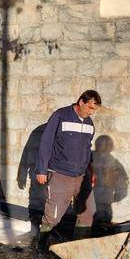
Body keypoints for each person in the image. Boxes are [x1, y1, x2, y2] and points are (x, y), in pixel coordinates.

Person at [35, 90, 101, 249]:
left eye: (95, 110)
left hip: (82, 176)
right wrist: (41, 170)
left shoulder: (89, 124)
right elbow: (46, 142)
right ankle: (40, 248)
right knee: (53, 216)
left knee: (88, 213)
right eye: (90, 108)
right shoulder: (60, 116)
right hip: (60, 174)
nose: (92, 113)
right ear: (81, 102)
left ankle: (77, 250)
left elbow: (87, 149)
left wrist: (91, 172)